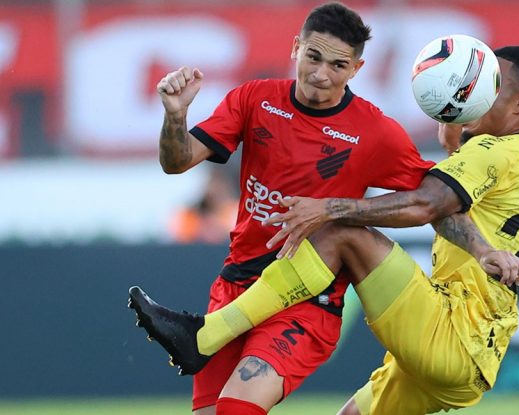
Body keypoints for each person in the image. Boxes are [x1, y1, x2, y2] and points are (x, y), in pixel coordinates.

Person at [130, 45, 519, 414]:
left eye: (492, 85)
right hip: (478, 357)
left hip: (451, 334)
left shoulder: (496, 149)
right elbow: (460, 179)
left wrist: (329, 207)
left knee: (340, 230)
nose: (479, 90)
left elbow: (427, 202)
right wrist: (454, 129)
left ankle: (205, 334)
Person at [129, 3, 442, 414]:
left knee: (236, 408)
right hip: (236, 286)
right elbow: (176, 162)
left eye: (338, 65)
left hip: (306, 300)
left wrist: (335, 209)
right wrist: (176, 115)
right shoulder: (255, 99)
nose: (321, 74)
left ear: (356, 69)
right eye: (313, 57)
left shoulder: (375, 131)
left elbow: (429, 200)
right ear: (296, 48)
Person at [169, 168, 238, 244]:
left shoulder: (237, 210)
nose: (215, 190)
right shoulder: (190, 214)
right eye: (212, 184)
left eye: (220, 185)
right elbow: (181, 238)